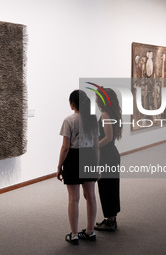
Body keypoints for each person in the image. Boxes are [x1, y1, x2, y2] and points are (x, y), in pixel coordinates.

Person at [57, 90, 100, 245]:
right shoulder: (92, 119)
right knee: (91, 197)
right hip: (89, 156)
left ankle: (74, 235)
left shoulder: (69, 120)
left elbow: (65, 147)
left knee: (73, 199)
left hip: (73, 158)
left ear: (72, 104)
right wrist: (97, 168)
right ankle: (90, 231)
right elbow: (96, 147)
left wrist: (59, 166)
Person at [94, 88, 122, 232]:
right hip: (112, 154)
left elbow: (108, 137)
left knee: (106, 187)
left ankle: (110, 221)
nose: (96, 99)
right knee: (111, 186)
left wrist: (94, 146)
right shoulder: (113, 113)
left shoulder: (105, 114)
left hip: (106, 155)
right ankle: (111, 218)